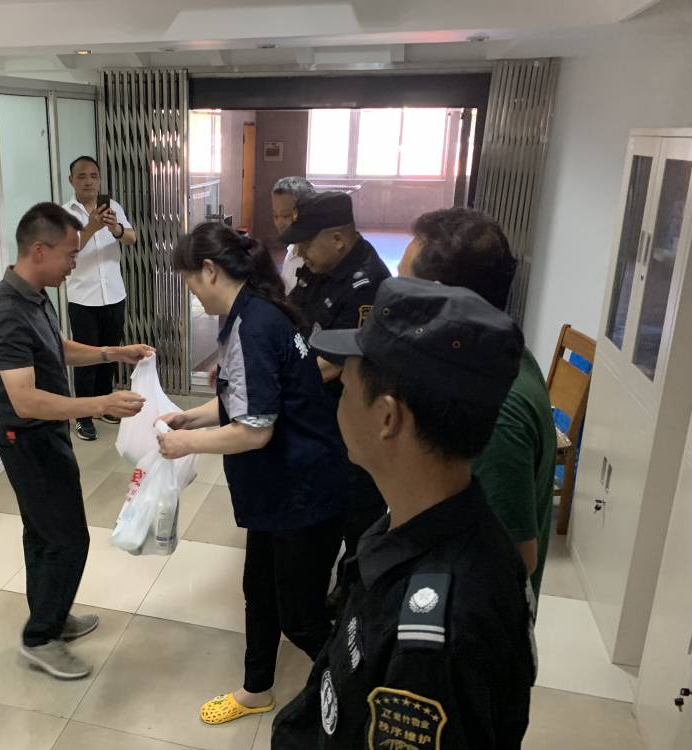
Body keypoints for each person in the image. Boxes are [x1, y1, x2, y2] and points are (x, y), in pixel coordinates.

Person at [272, 277, 537, 749]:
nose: (338, 403)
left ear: (387, 417)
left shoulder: (436, 634)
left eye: (346, 388)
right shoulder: (411, 522)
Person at [157, 222, 349, 726]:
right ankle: (255, 689)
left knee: (301, 618)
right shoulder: (255, 312)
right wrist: (190, 417)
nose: (193, 294)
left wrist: (183, 444)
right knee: (259, 591)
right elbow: (245, 400)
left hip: (303, 492)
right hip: (279, 490)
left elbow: (254, 430)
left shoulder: (254, 325)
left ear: (209, 270)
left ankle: (359, 698)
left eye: (190, 282)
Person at [0, 202, 153, 680]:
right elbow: (25, 400)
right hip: (28, 439)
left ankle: (49, 616)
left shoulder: (35, 295)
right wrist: (101, 403)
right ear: (39, 250)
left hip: (45, 435)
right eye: (69, 255)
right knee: (68, 540)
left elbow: (57, 348)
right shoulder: (5, 312)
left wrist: (113, 352)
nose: (74, 263)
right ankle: (40, 638)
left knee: (43, 535)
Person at [398, 208, 556, 600]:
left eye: (402, 286)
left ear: (441, 298)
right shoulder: (494, 354)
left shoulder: (494, 407)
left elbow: (516, 557)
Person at [279, 191, 391, 610]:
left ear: (339, 239)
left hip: (354, 415)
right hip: (319, 409)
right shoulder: (319, 267)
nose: (299, 253)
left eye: (306, 243)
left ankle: (353, 591)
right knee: (324, 499)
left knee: (358, 508)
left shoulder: (367, 284)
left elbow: (336, 363)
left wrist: (277, 381)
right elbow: (293, 316)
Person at [62, 156, 138, 443]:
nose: (89, 181)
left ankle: (105, 406)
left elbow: (131, 238)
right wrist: (92, 227)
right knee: (86, 359)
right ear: (71, 180)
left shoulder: (112, 206)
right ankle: (83, 416)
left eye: (94, 176)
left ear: (100, 180)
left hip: (114, 294)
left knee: (111, 354)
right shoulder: (64, 213)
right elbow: (67, 248)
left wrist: (115, 228)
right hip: (83, 298)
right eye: (82, 176)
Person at [271, 176, 316, 293]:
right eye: (275, 216)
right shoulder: (292, 248)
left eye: (286, 216)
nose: (279, 224)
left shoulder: (315, 261)